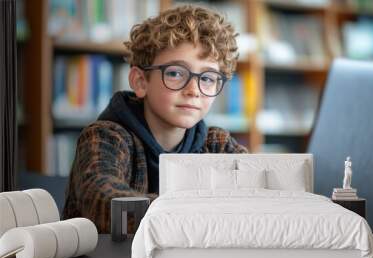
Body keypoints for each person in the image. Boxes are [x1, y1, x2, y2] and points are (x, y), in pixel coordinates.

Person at [62, 5, 248, 233]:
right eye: (175, 73)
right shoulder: (106, 137)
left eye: (208, 78)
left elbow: (259, 188)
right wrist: (203, 208)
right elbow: (103, 202)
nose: (194, 90)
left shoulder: (216, 143)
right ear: (141, 81)